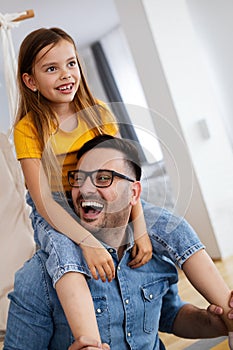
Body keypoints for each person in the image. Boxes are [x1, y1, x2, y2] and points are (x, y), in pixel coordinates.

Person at [3, 135, 233, 350]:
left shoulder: (152, 255)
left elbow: (169, 316)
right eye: (79, 179)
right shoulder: (40, 275)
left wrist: (210, 322)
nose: (85, 189)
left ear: (134, 193)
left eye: (103, 178)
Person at [13, 27, 152, 343]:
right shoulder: (28, 129)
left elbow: (123, 174)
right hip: (56, 207)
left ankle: (226, 314)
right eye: (52, 68)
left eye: (71, 63)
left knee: (170, 224)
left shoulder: (99, 113)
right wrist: (87, 242)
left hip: (101, 198)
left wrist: (139, 227)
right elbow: (44, 201)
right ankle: (90, 343)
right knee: (64, 253)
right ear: (30, 81)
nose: (65, 74)